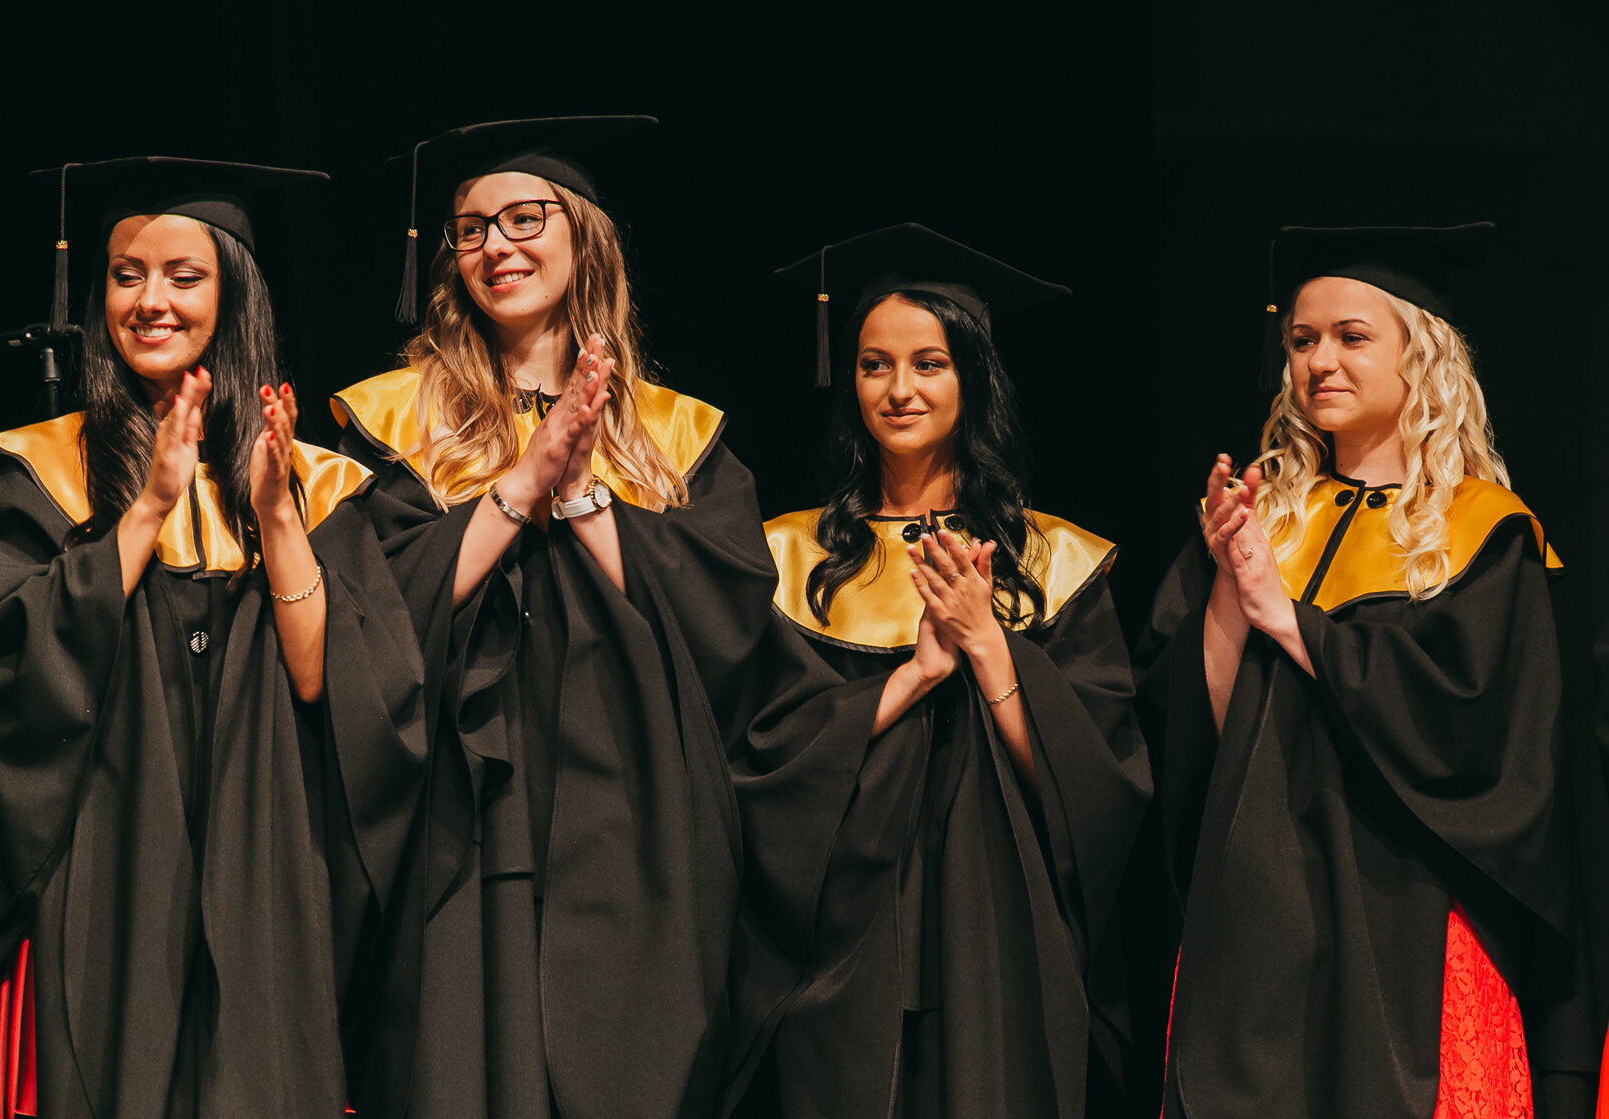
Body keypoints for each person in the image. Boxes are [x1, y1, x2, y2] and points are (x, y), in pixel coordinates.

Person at [0, 158, 427, 1118]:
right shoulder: (35, 476)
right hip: (104, 859)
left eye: (183, 276)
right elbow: (10, 676)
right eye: (127, 275)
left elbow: (330, 686)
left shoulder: (312, 480)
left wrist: (276, 516)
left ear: (232, 296)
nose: (150, 300)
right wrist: (150, 506)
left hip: (262, 853)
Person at [331, 116, 778, 1117]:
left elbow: (727, 633)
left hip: (634, 823)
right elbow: (365, 616)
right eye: (471, 228)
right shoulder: (398, 423)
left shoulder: (675, 436)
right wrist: (516, 487)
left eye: (525, 218)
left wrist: (579, 496)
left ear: (586, 237)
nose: (496, 245)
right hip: (460, 821)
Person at [1138, 224, 1597, 1117]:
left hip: (1413, 914)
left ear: (1420, 354)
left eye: (1352, 337)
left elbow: (1482, 746)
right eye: (1302, 340)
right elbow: (1198, 731)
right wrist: (1233, 586)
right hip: (1258, 918)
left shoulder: (1482, 530)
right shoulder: (1262, 518)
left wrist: (1294, 622)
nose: (1320, 362)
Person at [726, 224, 1151, 1118]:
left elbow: (1097, 793)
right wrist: (913, 677)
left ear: (974, 379)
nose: (899, 389)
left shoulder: (1054, 564)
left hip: (994, 932)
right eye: (874, 364)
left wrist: (988, 645)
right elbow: (758, 766)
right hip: (839, 944)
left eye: (929, 364)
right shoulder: (789, 559)